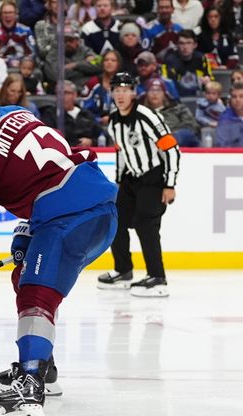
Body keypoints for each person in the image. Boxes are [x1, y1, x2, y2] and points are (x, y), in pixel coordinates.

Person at [0, 71, 118, 416]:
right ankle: (43, 366)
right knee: (28, 277)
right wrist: (32, 228)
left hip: (68, 216)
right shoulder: (18, 113)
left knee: (34, 293)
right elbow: (48, 169)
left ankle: (30, 388)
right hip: (99, 209)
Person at [99, 72, 180, 296]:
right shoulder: (114, 120)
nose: (121, 94)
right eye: (117, 90)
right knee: (115, 219)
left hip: (153, 178)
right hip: (130, 179)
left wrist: (170, 183)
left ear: (134, 92)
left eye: (125, 89)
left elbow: (172, 149)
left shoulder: (147, 116)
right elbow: (121, 152)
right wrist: (118, 182)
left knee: (146, 224)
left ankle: (157, 277)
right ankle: (123, 270)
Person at [40, 79, 104, 146]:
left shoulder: (86, 114)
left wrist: (91, 142)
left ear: (75, 95)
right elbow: (46, 139)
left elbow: (102, 136)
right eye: (59, 93)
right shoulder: (49, 115)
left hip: (86, 152)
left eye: (66, 93)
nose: (62, 96)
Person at [142, 77, 200, 146]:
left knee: (185, 134)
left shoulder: (178, 108)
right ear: (146, 94)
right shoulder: (141, 112)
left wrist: (171, 135)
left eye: (158, 90)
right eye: (151, 90)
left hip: (178, 142)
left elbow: (192, 126)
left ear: (164, 93)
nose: (155, 93)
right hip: (151, 143)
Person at [162, 29, 213, 96]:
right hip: (176, 97)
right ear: (177, 45)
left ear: (195, 45)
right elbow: (165, 84)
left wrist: (207, 80)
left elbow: (210, 78)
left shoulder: (201, 58)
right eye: (181, 43)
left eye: (189, 43)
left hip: (198, 97)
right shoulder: (169, 60)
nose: (185, 47)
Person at [0, 0, 36, 68]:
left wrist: (24, 63)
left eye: (10, 12)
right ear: (0, 15)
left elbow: (32, 52)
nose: (8, 15)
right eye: (5, 13)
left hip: (20, 68)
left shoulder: (26, 31)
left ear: (16, 14)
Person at [83, 49, 123, 127]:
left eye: (113, 60)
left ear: (118, 64)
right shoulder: (92, 83)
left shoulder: (124, 85)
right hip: (94, 126)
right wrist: (98, 120)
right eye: (106, 60)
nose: (109, 62)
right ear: (102, 63)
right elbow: (84, 109)